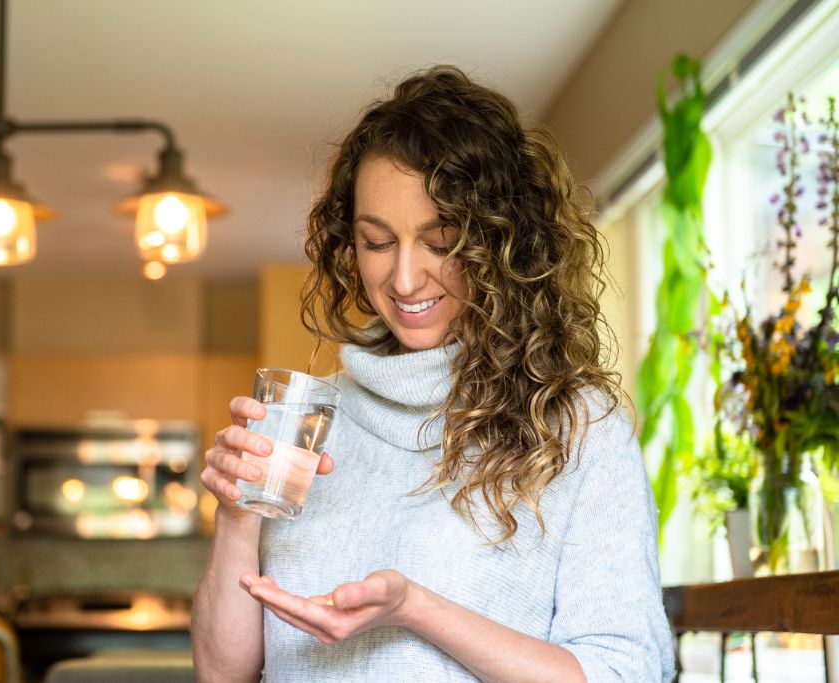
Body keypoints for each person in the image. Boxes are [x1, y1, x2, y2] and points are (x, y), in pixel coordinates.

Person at [192, 65, 674, 683]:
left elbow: (625, 672)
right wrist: (235, 519)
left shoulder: (578, 430)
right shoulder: (311, 427)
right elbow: (220, 674)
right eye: (377, 242)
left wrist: (416, 609)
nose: (404, 279)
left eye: (441, 241)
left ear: (503, 243)